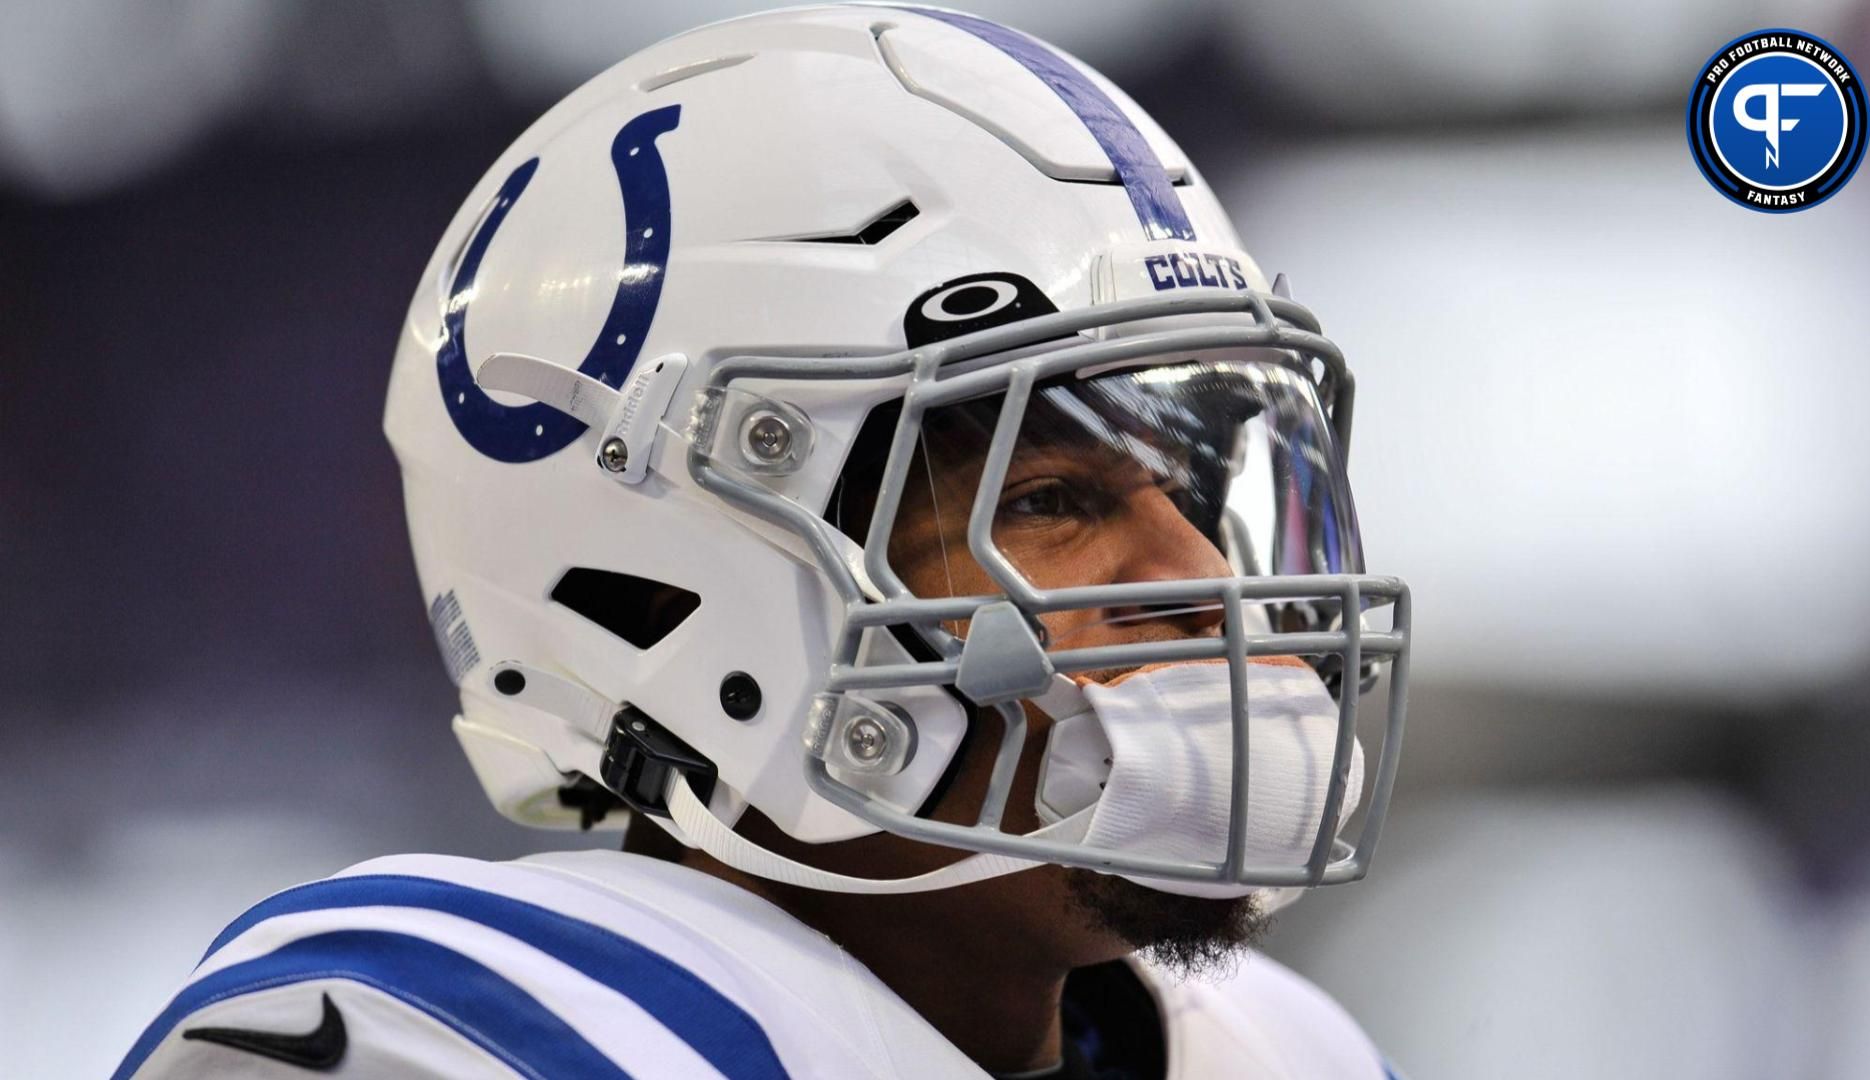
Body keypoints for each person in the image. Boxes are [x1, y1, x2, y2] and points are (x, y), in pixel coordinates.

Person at [113, 6, 1412, 1078]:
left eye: (1192, 494)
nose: (1202, 575)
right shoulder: (482, 1036)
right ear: (667, 593)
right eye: (1049, 501)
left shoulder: (1280, 1052)